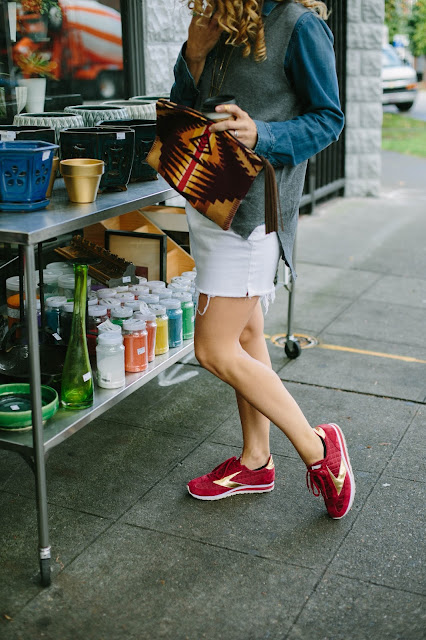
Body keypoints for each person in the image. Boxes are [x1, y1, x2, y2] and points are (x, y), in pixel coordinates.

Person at [170, 0, 355, 519]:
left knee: (213, 349)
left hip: (250, 216)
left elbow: (329, 119)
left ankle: (321, 451)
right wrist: (195, 57)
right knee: (248, 337)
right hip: (210, 200)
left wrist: (263, 135)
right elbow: (184, 108)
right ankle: (256, 460)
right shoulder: (221, 19)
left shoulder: (299, 25)